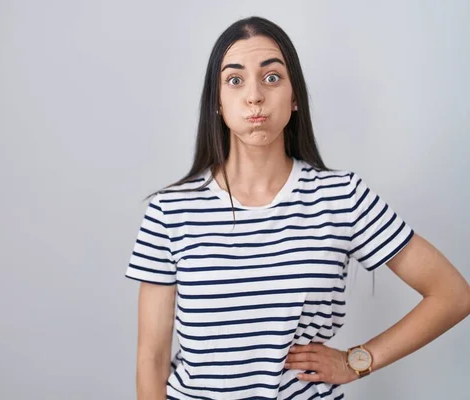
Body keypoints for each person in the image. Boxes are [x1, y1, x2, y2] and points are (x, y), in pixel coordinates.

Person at [124, 16, 470, 400]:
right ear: (217, 103)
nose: (254, 95)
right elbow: (151, 360)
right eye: (235, 80)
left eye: (271, 77)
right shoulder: (170, 212)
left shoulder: (342, 196)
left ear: (294, 97)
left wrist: (359, 360)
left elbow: (452, 294)